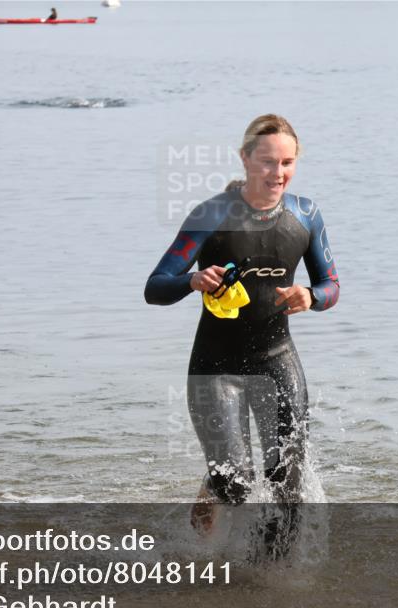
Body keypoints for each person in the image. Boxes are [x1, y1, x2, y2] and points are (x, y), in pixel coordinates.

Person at [145, 114, 339, 553]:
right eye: (268, 162)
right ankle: (210, 499)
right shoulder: (212, 215)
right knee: (234, 483)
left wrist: (312, 296)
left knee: (286, 483)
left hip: (277, 359)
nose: (278, 173)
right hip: (216, 365)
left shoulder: (306, 215)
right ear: (246, 159)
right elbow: (155, 288)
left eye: (287, 162)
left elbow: (332, 286)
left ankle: (272, 576)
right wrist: (191, 281)